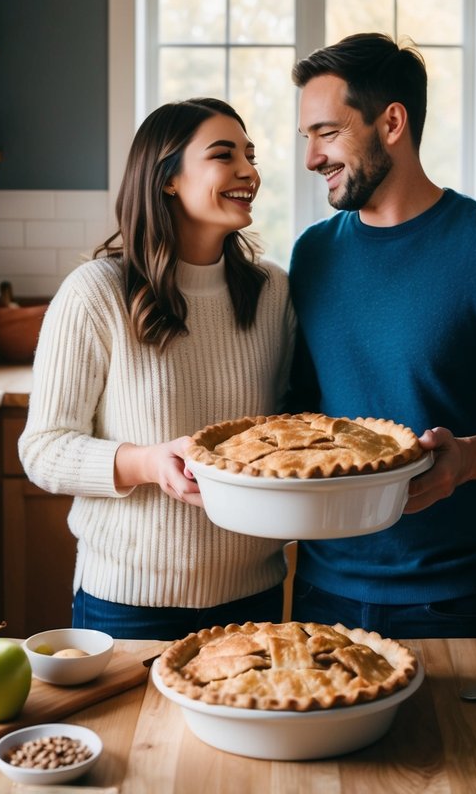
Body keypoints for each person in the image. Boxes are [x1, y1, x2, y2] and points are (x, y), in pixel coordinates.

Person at [286, 33, 476, 639]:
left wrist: (469, 458)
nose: (312, 158)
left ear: (391, 122)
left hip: (455, 598)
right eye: (305, 138)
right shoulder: (313, 254)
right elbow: (296, 409)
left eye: (327, 132)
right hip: (322, 591)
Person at [19, 98, 295, 639]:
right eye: (224, 155)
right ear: (167, 178)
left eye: (250, 154)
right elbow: (43, 449)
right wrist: (147, 462)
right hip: (128, 603)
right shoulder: (95, 293)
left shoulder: (272, 292)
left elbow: (283, 431)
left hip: (254, 598)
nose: (248, 171)